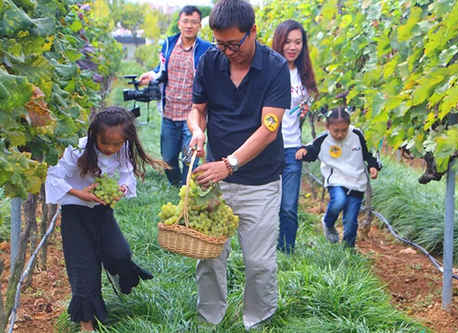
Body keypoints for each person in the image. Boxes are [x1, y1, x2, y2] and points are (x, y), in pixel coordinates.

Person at [187, 0, 291, 329]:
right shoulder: (209, 62)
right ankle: (210, 318)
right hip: (213, 181)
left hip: (259, 181)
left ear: (253, 33)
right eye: (220, 44)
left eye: (234, 44)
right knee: (209, 257)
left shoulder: (274, 68)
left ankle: (258, 320)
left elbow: (269, 130)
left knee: (259, 262)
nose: (227, 51)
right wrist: (197, 130)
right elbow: (197, 108)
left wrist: (229, 164)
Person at [45, 107, 166, 332]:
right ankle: (87, 324)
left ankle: (120, 276)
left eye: (117, 144)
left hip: (101, 211)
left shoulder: (123, 147)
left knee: (120, 254)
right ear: (93, 136)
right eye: (105, 144)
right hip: (75, 214)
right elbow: (53, 176)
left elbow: (126, 172)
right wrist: (80, 193)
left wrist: (121, 188)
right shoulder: (76, 150)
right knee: (83, 270)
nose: (111, 149)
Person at [138, 5, 212, 186]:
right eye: (185, 21)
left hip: (192, 117)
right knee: (168, 158)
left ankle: (187, 189)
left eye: (194, 22)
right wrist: (151, 75)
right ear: (179, 23)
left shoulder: (207, 49)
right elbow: (161, 70)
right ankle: (176, 182)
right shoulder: (169, 44)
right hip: (169, 113)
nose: (189, 26)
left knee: (190, 158)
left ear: (199, 26)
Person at [296, 108, 381, 248]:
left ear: (349, 126)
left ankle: (348, 249)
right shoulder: (324, 139)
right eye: (336, 131)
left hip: (356, 182)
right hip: (336, 179)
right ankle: (328, 223)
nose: (340, 134)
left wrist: (373, 166)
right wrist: (303, 151)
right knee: (339, 201)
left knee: (351, 220)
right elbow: (312, 150)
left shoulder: (357, 135)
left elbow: (368, 153)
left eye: (344, 130)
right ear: (327, 127)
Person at [271, 20, 318, 254]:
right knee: (269, 203)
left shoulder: (303, 74)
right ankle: (265, 247)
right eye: (288, 41)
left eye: (298, 42)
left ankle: (286, 251)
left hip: (292, 146)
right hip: (267, 146)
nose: (292, 46)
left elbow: (300, 108)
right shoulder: (269, 70)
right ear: (279, 42)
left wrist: (303, 112)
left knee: (289, 205)